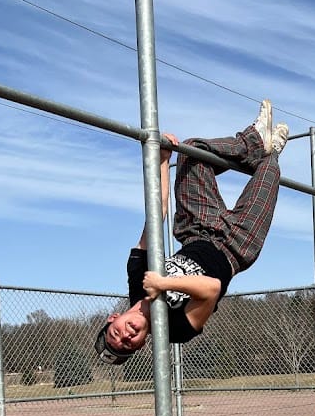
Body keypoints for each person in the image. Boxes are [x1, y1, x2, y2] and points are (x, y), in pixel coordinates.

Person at [95, 100, 288, 365]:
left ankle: (253, 141)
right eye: (128, 343)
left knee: (191, 152)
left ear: (113, 319)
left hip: (197, 228)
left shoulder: (137, 278)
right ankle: (269, 152)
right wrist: (163, 284)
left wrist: (163, 162)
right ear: (140, 345)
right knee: (269, 169)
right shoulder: (176, 330)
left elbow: (155, 218)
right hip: (235, 247)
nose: (126, 335)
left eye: (117, 333)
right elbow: (211, 288)